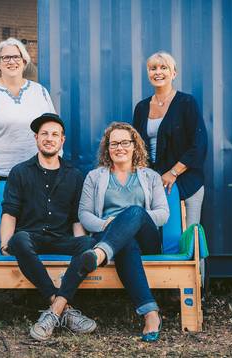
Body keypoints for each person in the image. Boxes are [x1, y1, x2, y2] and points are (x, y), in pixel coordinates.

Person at [0, 113, 97, 341]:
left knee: (90, 243)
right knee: (18, 240)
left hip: (60, 239)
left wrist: (81, 246)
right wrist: (5, 242)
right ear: (36, 138)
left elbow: (76, 219)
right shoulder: (20, 172)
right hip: (31, 240)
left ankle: (55, 309)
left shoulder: (74, 175)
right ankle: (64, 308)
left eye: (55, 134)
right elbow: (9, 212)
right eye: (44, 134)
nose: (49, 138)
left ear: (62, 140)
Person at [78, 122, 169, 342]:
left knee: (135, 212)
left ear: (135, 146)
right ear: (107, 149)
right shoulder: (94, 177)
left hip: (146, 237)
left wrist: (133, 219)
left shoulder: (151, 177)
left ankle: (99, 254)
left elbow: (163, 213)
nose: (120, 147)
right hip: (110, 235)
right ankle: (150, 313)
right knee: (125, 242)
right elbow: (84, 214)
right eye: (114, 143)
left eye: (125, 142)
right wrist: (104, 225)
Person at [0, 38, 55, 227]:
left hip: (34, 174)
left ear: (24, 61)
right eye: (5, 57)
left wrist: (53, 165)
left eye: (16, 56)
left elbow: (53, 130)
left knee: (30, 226)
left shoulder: (39, 92)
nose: (11, 61)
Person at [133, 51, 207, 227]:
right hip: (153, 184)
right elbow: (135, 147)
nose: (157, 72)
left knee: (190, 240)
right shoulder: (141, 108)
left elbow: (199, 145)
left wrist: (173, 173)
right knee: (158, 240)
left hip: (187, 181)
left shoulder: (187, 103)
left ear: (174, 73)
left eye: (163, 67)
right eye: (153, 68)